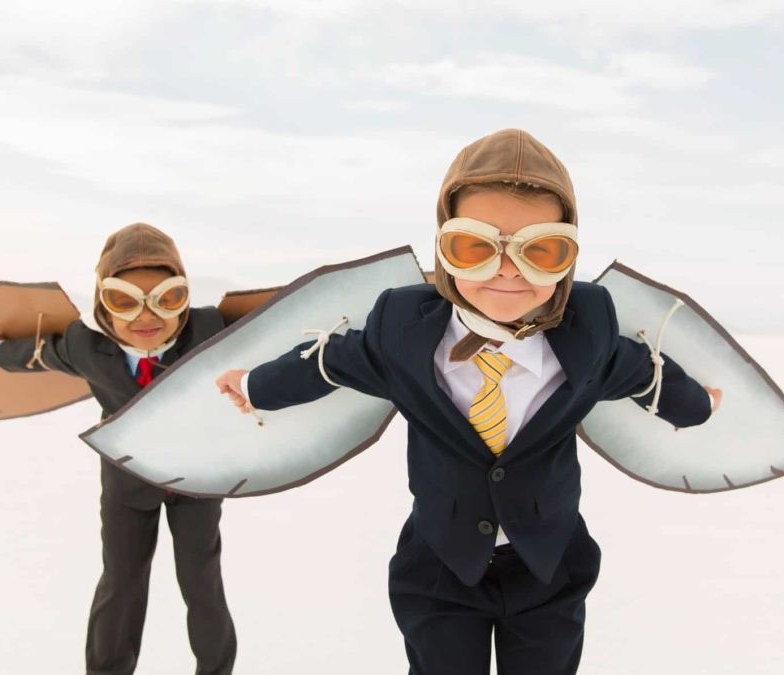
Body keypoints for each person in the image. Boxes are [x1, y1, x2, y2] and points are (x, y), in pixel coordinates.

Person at [215, 129, 720, 675]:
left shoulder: (589, 328)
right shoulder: (401, 329)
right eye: (476, 247)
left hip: (549, 564)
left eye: (540, 250)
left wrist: (699, 405)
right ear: (444, 248)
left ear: (567, 258)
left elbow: (643, 375)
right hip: (440, 566)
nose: (507, 270)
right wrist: (253, 386)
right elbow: (328, 362)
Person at [0, 222, 237, 675]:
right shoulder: (86, 346)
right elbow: (44, 353)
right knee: (121, 582)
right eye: (124, 300)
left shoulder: (211, 330)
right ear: (103, 302)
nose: (147, 316)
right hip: (127, 482)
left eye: (167, 298)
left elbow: (273, 333)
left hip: (197, 478)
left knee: (202, 581)